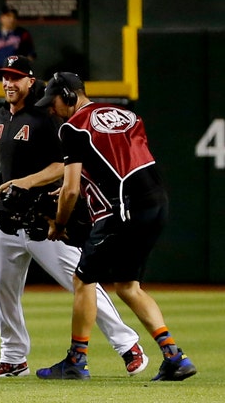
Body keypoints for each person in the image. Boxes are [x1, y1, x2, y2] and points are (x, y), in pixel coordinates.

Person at [0, 56, 144, 378]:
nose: (8, 83)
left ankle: (128, 345)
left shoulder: (47, 113)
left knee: (83, 281)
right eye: (4, 77)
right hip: (9, 218)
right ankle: (13, 358)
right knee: (3, 291)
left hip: (43, 217)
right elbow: (12, 160)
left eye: (15, 77)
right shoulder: (3, 113)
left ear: (30, 81)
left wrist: (26, 182)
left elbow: (63, 165)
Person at [36, 72, 197, 382]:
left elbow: (69, 190)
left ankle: (76, 360)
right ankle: (174, 357)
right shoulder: (126, 114)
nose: (51, 109)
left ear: (69, 95)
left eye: (53, 102)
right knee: (127, 285)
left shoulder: (72, 128)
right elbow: (117, 161)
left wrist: (59, 223)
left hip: (124, 209)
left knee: (83, 279)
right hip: (157, 201)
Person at [0, 6, 36, 80]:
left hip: (15, 76)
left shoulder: (23, 34)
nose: (12, 19)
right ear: (1, 18)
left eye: (14, 17)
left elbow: (30, 55)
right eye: (8, 16)